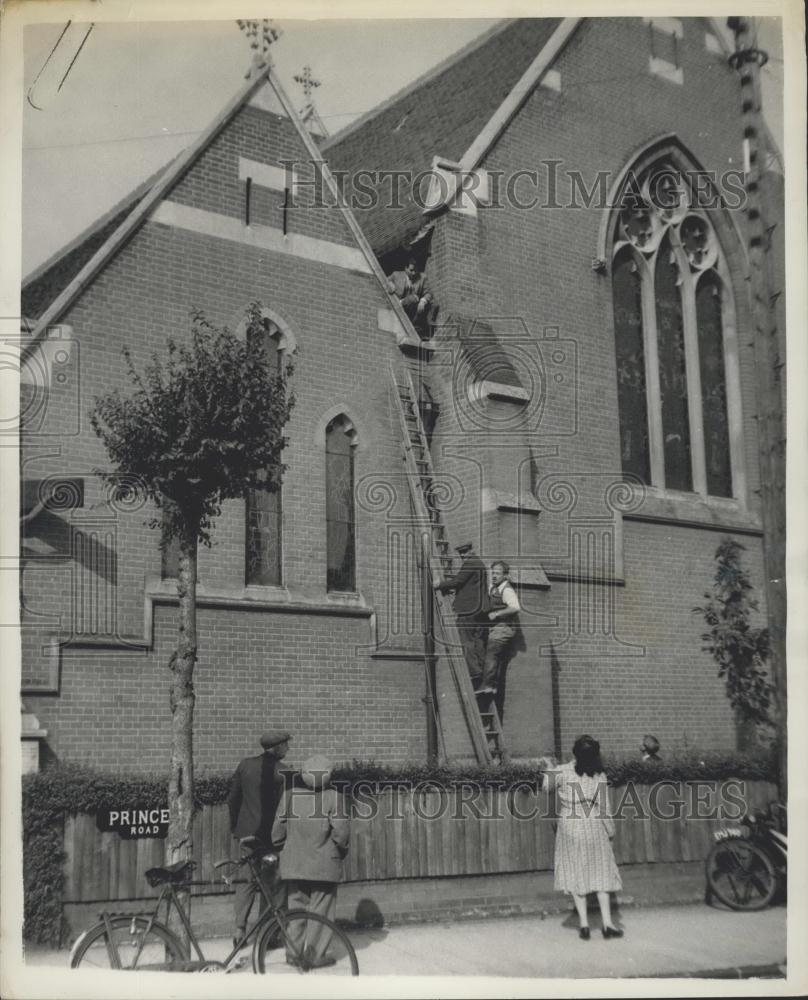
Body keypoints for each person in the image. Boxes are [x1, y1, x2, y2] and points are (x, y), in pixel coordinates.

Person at [539, 735, 623, 941]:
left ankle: (584, 925)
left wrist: (550, 767)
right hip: (593, 822)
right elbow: (604, 808)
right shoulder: (598, 774)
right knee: (602, 871)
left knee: (576, 871)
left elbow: (545, 787)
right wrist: (610, 831)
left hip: (569, 823)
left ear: (574, 753)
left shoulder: (563, 771)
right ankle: (607, 924)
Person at [272, 754, 350, 969]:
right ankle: (314, 956)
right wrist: (340, 851)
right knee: (321, 912)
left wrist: (284, 848)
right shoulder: (334, 797)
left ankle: (293, 954)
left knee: (295, 910)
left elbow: (277, 832)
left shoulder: (289, 795)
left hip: (294, 864)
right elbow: (341, 833)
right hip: (324, 865)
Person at [227, 730, 291, 948]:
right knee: (271, 883)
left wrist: (236, 826)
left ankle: (239, 931)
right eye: (286, 745)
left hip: (246, 835)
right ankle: (268, 933)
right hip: (270, 837)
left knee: (245, 882)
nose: (288, 749)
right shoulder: (283, 772)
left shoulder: (245, 765)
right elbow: (285, 809)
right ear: (278, 748)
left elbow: (233, 798)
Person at [434, 542, 489, 689]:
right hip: (480, 610)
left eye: (465, 552)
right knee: (478, 642)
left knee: (466, 640)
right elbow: (470, 586)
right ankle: (482, 670)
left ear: (472, 550)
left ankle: (474, 672)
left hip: (468, 610)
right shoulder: (480, 563)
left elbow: (458, 581)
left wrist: (440, 585)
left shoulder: (470, 563)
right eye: (461, 553)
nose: (463, 555)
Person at [478, 560, 520, 696]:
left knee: (492, 654)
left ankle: (488, 686)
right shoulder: (494, 586)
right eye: (493, 573)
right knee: (493, 656)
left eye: (497, 573)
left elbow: (515, 607)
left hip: (503, 628)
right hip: (495, 628)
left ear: (505, 575)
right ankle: (493, 685)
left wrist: (497, 613)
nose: (494, 576)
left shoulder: (507, 590)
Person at [386, 257, 433, 337]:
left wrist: (423, 301)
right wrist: (390, 284)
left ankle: (415, 328)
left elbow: (428, 293)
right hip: (397, 304)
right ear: (406, 268)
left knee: (416, 299)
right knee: (413, 298)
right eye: (411, 270)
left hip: (412, 308)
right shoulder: (396, 275)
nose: (414, 273)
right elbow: (385, 281)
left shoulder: (422, 277)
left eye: (415, 270)